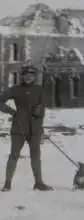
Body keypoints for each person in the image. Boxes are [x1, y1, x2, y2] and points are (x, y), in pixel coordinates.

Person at [0, 62, 54, 191]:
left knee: (36, 155)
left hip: (35, 129)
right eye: (26, 75)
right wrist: (11, 111)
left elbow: (42, 108)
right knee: (14, 155)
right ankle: (7, 183)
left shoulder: (39, 89)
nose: (28, 77)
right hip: (18, 127)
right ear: (22, 76)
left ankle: (38, 182)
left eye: (31, 75)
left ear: (35, 77)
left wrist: (40, 123)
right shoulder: (15, 89)